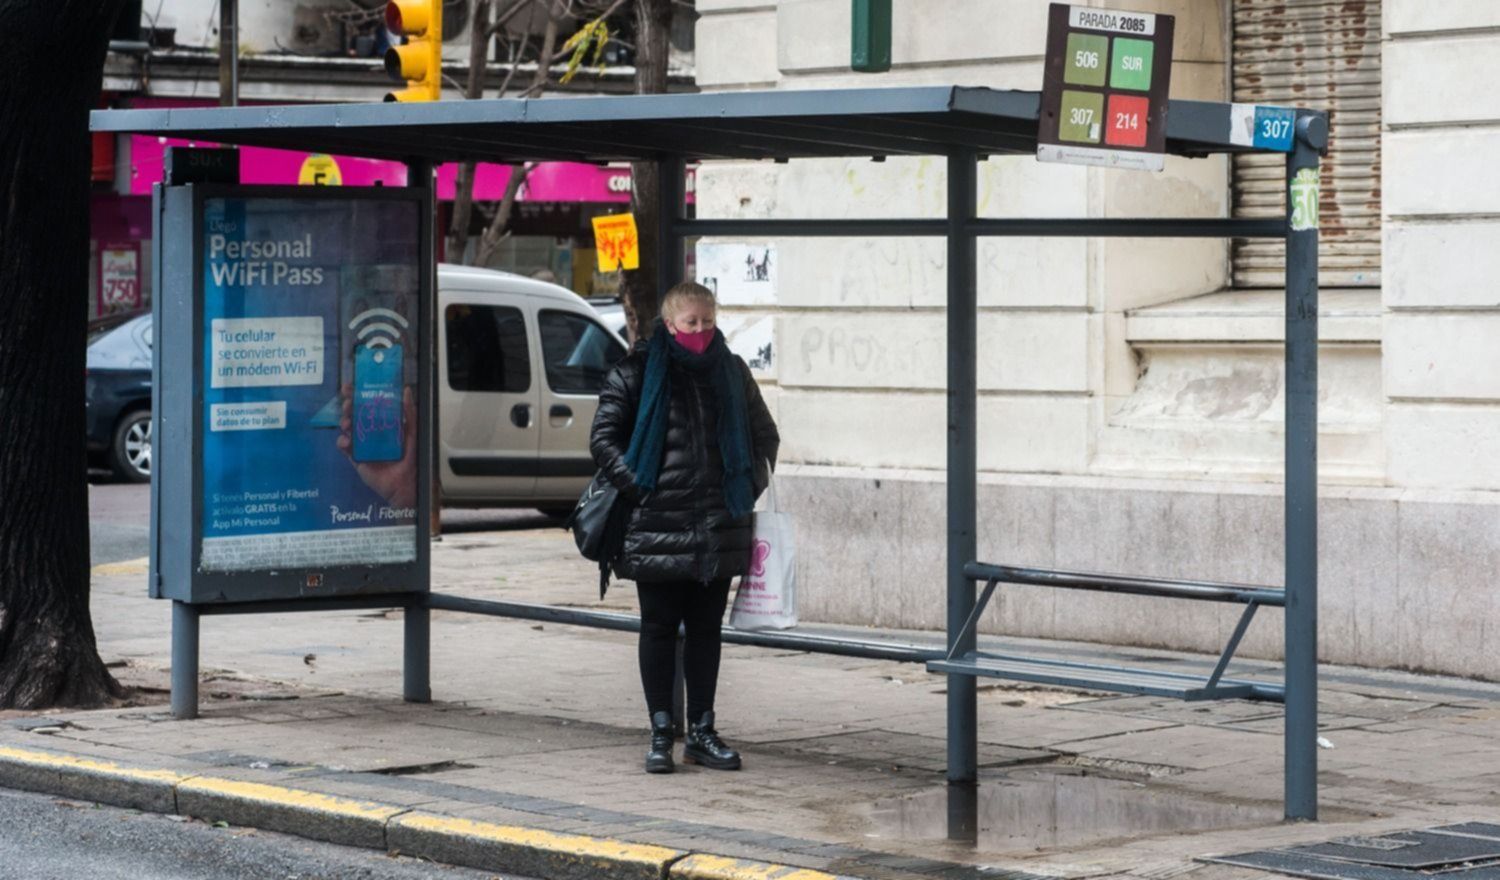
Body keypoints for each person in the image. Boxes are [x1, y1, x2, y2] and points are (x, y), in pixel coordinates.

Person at [589, 282, 779, 774]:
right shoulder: (635, 372)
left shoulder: (732, 372)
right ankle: (660, 732)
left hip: (718, 525)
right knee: (657, 626)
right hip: (657, 525)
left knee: (705, 631)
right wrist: (640, 487)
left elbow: (766, 436)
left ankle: (702, 732)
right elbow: (603, 439)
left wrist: (744, 489)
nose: (700, 330)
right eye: (691, 322)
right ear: (670, 323)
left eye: (707, 321)